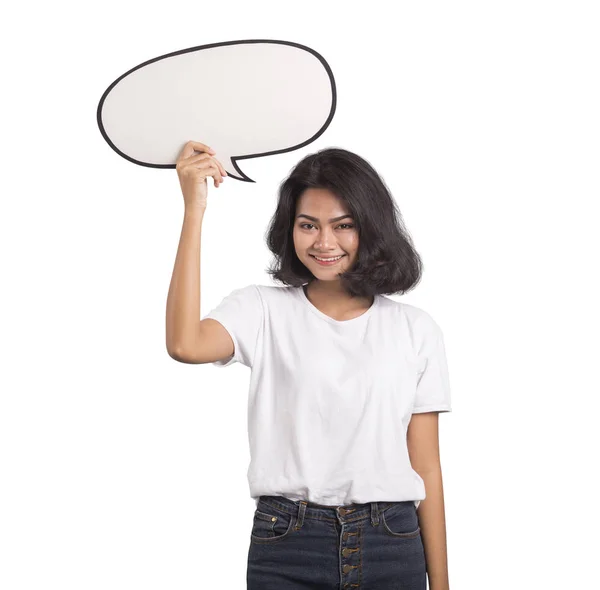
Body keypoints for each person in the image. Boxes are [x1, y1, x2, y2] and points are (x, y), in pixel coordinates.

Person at [166, 140, 452, 590]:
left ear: (371, 229)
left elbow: (427, 467)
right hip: (288, 543)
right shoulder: (261, 310)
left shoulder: (415, 330)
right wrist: (194, 210)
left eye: (344, 225)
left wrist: (442, 584)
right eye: (308, 225)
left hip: (392, 543)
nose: (324, 242)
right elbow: (185, 344)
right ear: (290, 229)